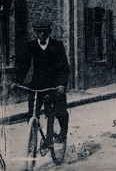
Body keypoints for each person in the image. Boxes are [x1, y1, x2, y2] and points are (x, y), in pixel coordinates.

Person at [12, 19, 70, 147]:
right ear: (35, 32)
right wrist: (17, 82)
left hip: (55, 86)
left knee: (60, 111)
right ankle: (32, 141)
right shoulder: (31, 46)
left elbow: (64, 68)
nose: (42, 34)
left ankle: (63, 132)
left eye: (44, 32)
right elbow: (24, 65)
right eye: (39, 32)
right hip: (37, 85)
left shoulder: (57, 45)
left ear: (49, 32)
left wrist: (62, 84)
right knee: (32, 114)